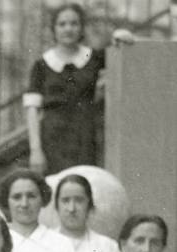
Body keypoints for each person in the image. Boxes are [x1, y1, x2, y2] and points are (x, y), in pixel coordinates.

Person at [24, 4, 134, 175]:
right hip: (52, 139)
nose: (68, 29)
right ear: (54, 29)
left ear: (82, 27)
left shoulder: (93, 57)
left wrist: (120, 36)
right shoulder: (42, 65)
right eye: (62, 24)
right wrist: (35, 150)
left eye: (74, 23)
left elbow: (120, 51)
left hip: (85, 137)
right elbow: (32, 110)